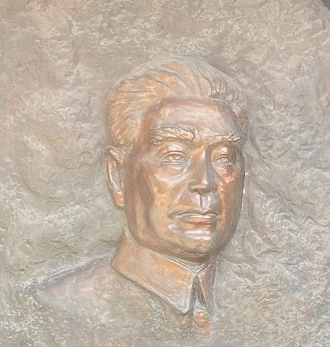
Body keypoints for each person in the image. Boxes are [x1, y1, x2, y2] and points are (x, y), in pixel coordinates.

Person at [41, 58, 246, 327]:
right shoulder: (53, 314)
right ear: (117, 175)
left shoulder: (273, 306)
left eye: (224, 158)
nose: (205, 182)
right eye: (174, 156)